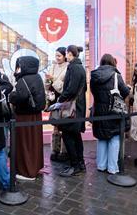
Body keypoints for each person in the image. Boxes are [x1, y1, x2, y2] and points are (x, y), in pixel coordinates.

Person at [90, 54, 130, 174]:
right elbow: (125, 91)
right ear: (113, 63)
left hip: (99, 111)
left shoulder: (94, 76)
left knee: (101, 138)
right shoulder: (116, 75)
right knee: (114, 138)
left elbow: (93, 92)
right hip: (113, 111)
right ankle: (112, 168)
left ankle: (101, 165)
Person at [8, 56, 45, 181]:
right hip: (36, 116)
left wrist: (11, 96)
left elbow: (19, 97)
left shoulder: (24, 80)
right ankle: (34, 167)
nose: (18, 69)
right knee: (34, 143)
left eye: (19, 66)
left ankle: (27, 171)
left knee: (25, 143)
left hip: (24, 116)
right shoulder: (37, 77)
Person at [57, 45, 87, 177]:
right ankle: (80, 164)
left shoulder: (74, 67)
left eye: (66, 54)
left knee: (68, 135)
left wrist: (60, 98)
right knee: (75, 136)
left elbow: (71, 89)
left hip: (72, 108)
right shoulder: (79, 67)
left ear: (70, 54)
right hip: (78, 106)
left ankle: (75, 165)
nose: (65, 56)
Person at [45, 47, 69, 162]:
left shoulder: (68, 67)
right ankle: (55, 150)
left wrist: (53, 79)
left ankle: (64, 151)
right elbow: (48, 84)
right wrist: (48, 81)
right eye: (56, 56)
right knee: (55, 125)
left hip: (63, 99)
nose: (57, 58)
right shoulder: (53, 66)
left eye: (59, 56)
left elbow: (63, 86)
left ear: (65, 56)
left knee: (64, 125)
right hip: (54, 98)